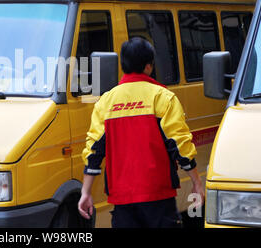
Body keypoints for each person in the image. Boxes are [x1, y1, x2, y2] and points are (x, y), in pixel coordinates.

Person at [78, 37, 205, 228]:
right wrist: (196, 182)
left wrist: (85, 192)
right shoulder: (163, 98)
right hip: (159, 196)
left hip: (122, 200)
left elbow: (93, 151)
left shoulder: (106, 102)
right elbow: (180, 145)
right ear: (149, 66)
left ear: (123, 66)